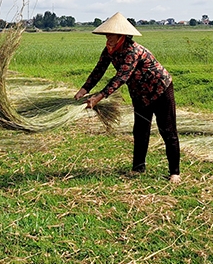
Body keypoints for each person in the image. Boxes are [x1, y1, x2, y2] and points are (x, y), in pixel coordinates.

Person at [74, 13, 181, 183]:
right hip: (139, 93)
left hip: (160, 90)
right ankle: (138, 168)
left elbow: (121, 78)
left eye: (111, 35)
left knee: (167, 131)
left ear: (121, 36)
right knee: (140, 130)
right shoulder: (110, 50)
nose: (108, 38)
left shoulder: (132, 51)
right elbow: (99, 70)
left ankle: (174, 172)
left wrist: (98, 98)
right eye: (106, 35)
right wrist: (84, 89)